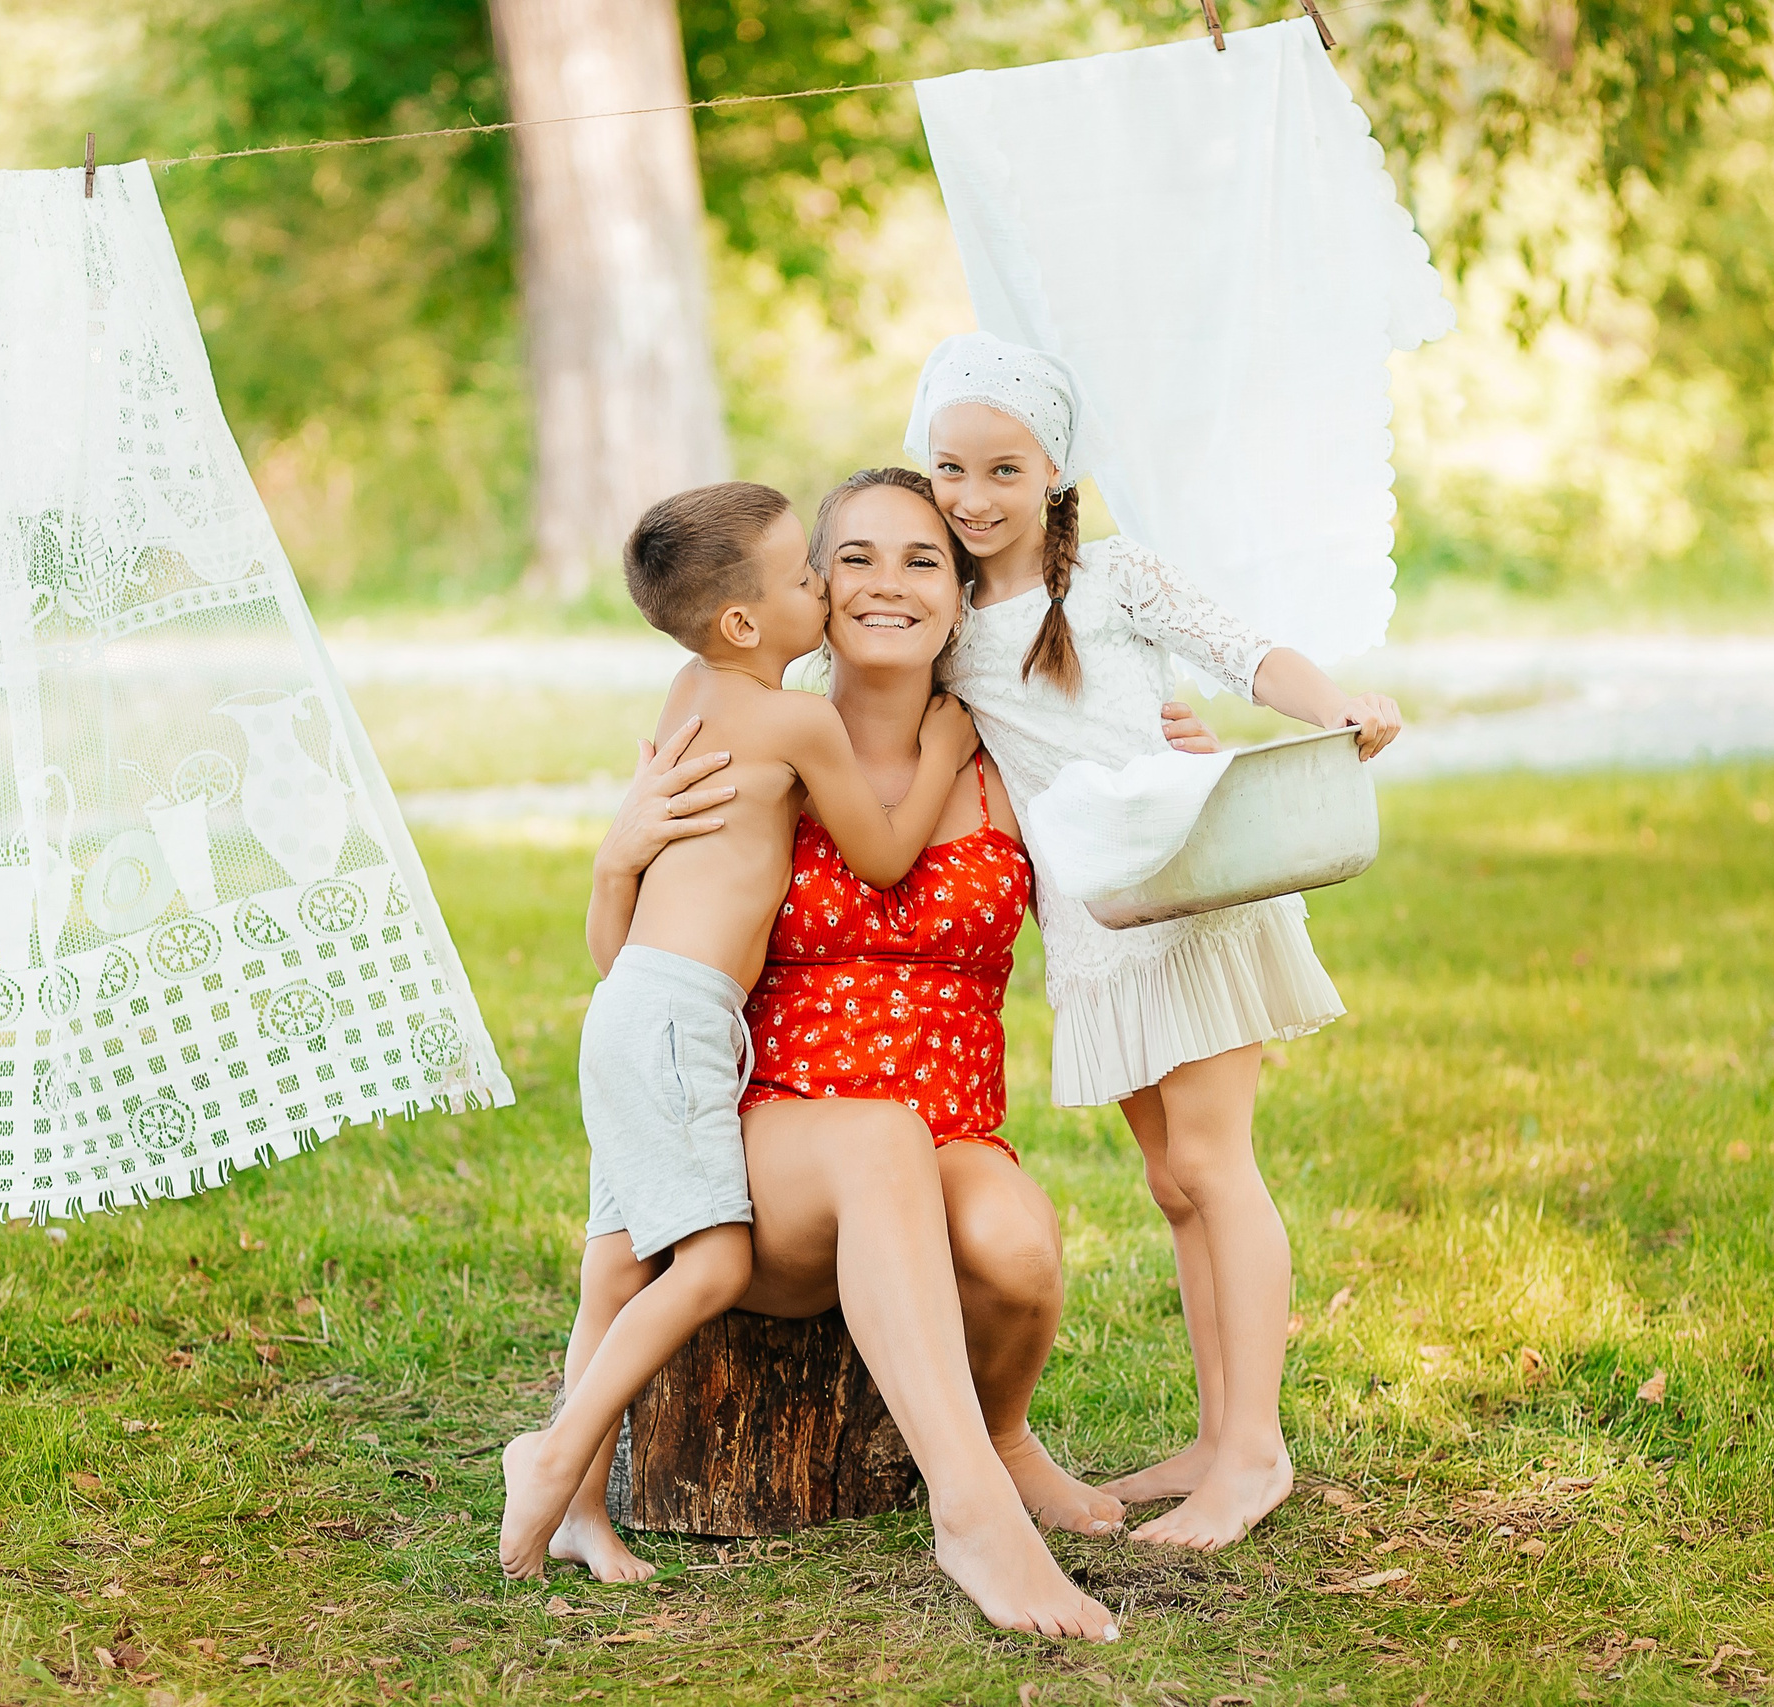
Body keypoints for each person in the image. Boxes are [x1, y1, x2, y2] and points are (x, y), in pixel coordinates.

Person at [549, 469, 1215, 1639]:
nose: (884, 584)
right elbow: (634, 963)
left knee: (1015, 1247)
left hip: (945, 1125)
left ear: (962, 597)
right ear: (807, 588)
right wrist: (617, 855)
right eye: (849, 557)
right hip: (769, 1127)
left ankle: (1003, 1443)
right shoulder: (743, 730)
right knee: (873, 1138)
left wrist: (1176, 766)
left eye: (922, 560)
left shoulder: (1007, 761)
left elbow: (1156, 868)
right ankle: (972, 1522)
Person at [906, 331, 1403, 1552]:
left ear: (1053, 477)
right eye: (951, 469)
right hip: (1095, 926)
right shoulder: (943, 615)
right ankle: (1213, 1431)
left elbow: (1248, 652)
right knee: (1172, 1183)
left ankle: (1254, 1454)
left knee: (1216, 1164)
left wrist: (1338, 704)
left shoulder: (1115, 580)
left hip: (1188, 889)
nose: (974, 499)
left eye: (1005, 471)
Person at [497, 481, 978, 1581]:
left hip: (634, 1009)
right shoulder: (800, 718)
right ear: (748, 624)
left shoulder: (687, 688)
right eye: (808, 575)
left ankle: (577, 1512)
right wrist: (943, 752)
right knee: (710, 1265)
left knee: (615, 1269)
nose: (826, 586)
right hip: (676, 1020)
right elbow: (885, 854)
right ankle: (554, 1450)